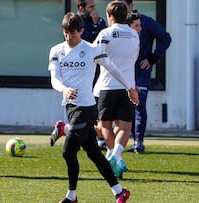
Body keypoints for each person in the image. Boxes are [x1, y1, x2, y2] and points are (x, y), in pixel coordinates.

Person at [48, 11, 137, 203]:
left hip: (87, 108)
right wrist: (64, 89)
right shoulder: (56, 51)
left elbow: (112, 68)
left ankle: (71, 196)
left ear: (81, 31)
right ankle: (119, 191)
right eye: (66, 32)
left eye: (72, 32)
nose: (69, 37)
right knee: (95, 154)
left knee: (68, 152)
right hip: (70, 108)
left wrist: (129, 87)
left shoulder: (91, 50)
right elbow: (54, 79)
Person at [92, 1, 140, 179]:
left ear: (109, 16)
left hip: (106, 86)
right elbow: (132, 59)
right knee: (125, 128)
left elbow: (96, 55)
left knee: (105, 126)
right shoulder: (134, 35)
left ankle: (113, 157)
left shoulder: (105, 33)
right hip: (127, 86)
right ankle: (116, 156)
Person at [52, 0, 108, 149]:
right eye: (91, 7)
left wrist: (97, 24)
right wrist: (64, 89)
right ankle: (66, 128)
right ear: (81, 8)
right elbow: (87, 41)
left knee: (88, 149)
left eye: (95, 6)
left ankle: (65, 128)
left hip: (95, 70)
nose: (94, 10)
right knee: (83, 148)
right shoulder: (75, 23)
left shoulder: (99, 21)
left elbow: (101, 47)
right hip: (79, 83)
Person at [118, 0, 172, 154]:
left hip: (141, 72)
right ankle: (118, 141)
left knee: (138, 103)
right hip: (124, 72)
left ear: (131, 6)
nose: (120, 10)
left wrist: (153, 57)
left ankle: (138, 142)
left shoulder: (146, 21)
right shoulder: (118, 25)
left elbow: (166, 38)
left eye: (123, 6)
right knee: (124, 105)